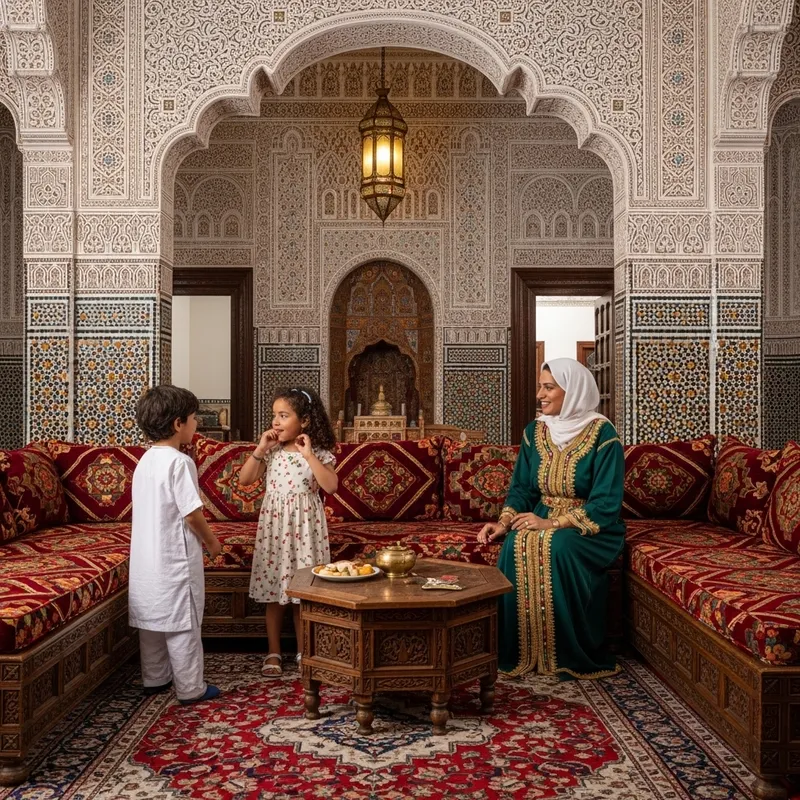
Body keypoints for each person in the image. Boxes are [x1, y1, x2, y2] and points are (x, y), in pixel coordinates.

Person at [478, 358, 625, 680]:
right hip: (542, 512)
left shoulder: (603, 433)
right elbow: (522, 489)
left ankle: (567, 652)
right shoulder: (535, 431)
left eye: (549, 387)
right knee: (516, 541)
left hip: (591, 525)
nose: (540, 395)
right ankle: (518, 651)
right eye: (540, 387)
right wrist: (503, 523)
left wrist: (554, 523)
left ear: (571, 391)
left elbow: (607, 501)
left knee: (557, 545)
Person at [129, 385, 223, 704]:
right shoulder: (180, 462)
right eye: (194, 418)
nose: (196, 424)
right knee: (183, 623)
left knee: (153, 621)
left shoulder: (145, 461)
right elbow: (191, 514)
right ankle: (190, 687)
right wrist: (211, 542)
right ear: (177, 424)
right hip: (174, 561)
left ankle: (154, 678)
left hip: (145, 561)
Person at [239, 387, 338, 677]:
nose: (276, 422)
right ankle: (273, 652)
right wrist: (259, 449)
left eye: (284, 416)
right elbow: (245, 480)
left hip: (305, 530)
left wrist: (309, 456)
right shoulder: (271, 453)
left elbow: (330, 486)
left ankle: (303, 651)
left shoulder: (317, 453)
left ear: (304, 421)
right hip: (275, 529)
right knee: (274, 594)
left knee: (301, 593)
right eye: (274, 416)